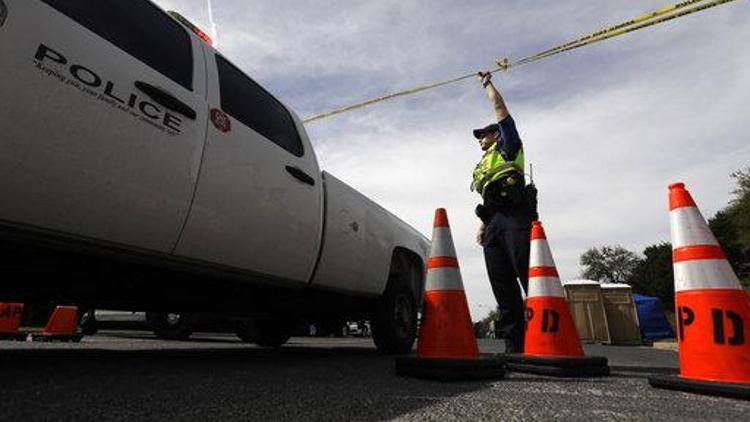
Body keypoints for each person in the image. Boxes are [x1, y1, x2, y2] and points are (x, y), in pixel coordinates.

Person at [472, 71, 537, 353]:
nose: (480, 139)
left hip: (516, 218)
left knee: (528, 276)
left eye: (483, 134)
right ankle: (514, 347)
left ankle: (545, 338)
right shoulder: (483, 163)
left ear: (495, 133)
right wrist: (483, 224)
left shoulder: (508, 145)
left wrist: (487, 84)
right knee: (502, 286)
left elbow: (500, 109)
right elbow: (488, 196)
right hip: (494, 224)